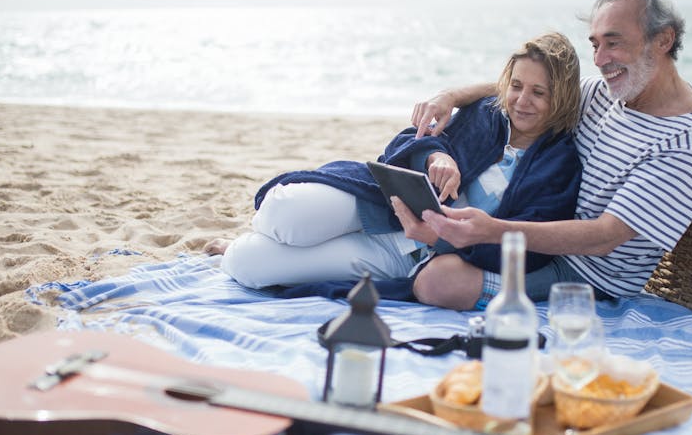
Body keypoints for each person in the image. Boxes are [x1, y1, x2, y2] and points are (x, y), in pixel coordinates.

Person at [392, 0, 692, 310]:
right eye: (595, 45)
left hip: (584, 271)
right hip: (535, 234)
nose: (599, 60)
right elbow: (520, 89)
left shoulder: (689, 139)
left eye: (613, 43)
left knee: (438, 282)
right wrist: (448, 96)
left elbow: (605, 236)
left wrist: (493, 232)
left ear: (663, 39)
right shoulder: (606, 93)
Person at [208, 32, 583, 295]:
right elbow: (411, 140)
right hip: (382, 202)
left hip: (407, 254)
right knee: (282, 210)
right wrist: (438, 155)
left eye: (539, 93)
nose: (521, 101)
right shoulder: (486, 113)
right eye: (516, 86)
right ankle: (278, 233)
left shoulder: (558, 164)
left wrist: (441, 241)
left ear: (562, 98)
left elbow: (526, 250)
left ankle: (239, 246)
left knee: (249, 265)